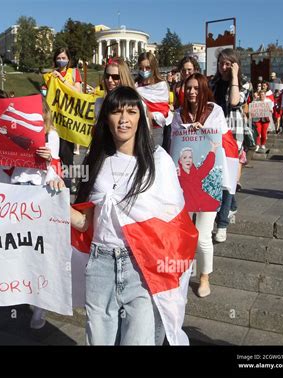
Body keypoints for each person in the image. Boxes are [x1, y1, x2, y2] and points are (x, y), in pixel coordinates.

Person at [68, 86, 198, 345]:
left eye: (131, 111)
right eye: (116, 112)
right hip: (101, 265)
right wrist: (57, 201)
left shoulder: (158, 162)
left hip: (140, 265)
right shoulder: (96, 161)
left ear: (141, 116)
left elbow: (174, 222)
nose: (124, 119)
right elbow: (85, 223)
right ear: (106, 118)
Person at [0, 99, 60, 329]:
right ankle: (19, 290)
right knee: (18, 248)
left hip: (39, 193)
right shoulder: (12, 131)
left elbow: (56, 167)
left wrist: (49, 159)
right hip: (15, 193)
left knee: (38, 250)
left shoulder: (51, 136)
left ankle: (40, 305)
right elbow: (2, 164)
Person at [171, 73, 239, 298]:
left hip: (209, 183)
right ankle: (185, 271)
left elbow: (220, 144)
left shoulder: (215, 111)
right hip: (184, 185)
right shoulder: (179, 114)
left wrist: (202, 131)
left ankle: (204, 277)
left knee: (202, 235)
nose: (191, 92)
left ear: (203, 90)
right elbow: (174, 144)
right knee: (185, 233)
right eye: (188, 88)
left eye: (196, 88)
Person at [209, 48, 247, 243]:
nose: (223, 67)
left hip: (233, 134)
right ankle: (231, 206)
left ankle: (222, 224)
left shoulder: (242, 84)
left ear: (234, 65)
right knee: (218, 177)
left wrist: (234, 77)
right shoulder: (213, 83)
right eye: (221, 63)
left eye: (227, 64)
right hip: (214, 134)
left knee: (227, 180)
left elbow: (234, 102)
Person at [44, 47, 83, 190]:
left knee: (67, 156)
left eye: (63, 58)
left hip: (68, 120)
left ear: (68, 59)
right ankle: (53, 181)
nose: (61, 61)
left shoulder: (74, 73)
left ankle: (67, 183)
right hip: (54, 120)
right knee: (54, 153)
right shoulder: (50, 75)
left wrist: (62, 80)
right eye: (58, 58)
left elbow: (78, 92)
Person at [135, 52, 173, 148]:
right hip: (139, 129)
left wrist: (150, 115)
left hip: (157, 129)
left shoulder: (161, 85)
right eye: (141, 68)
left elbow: (163, 110)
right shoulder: (135, 85)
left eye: (147, 68)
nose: (144, 71)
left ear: (153, 67)